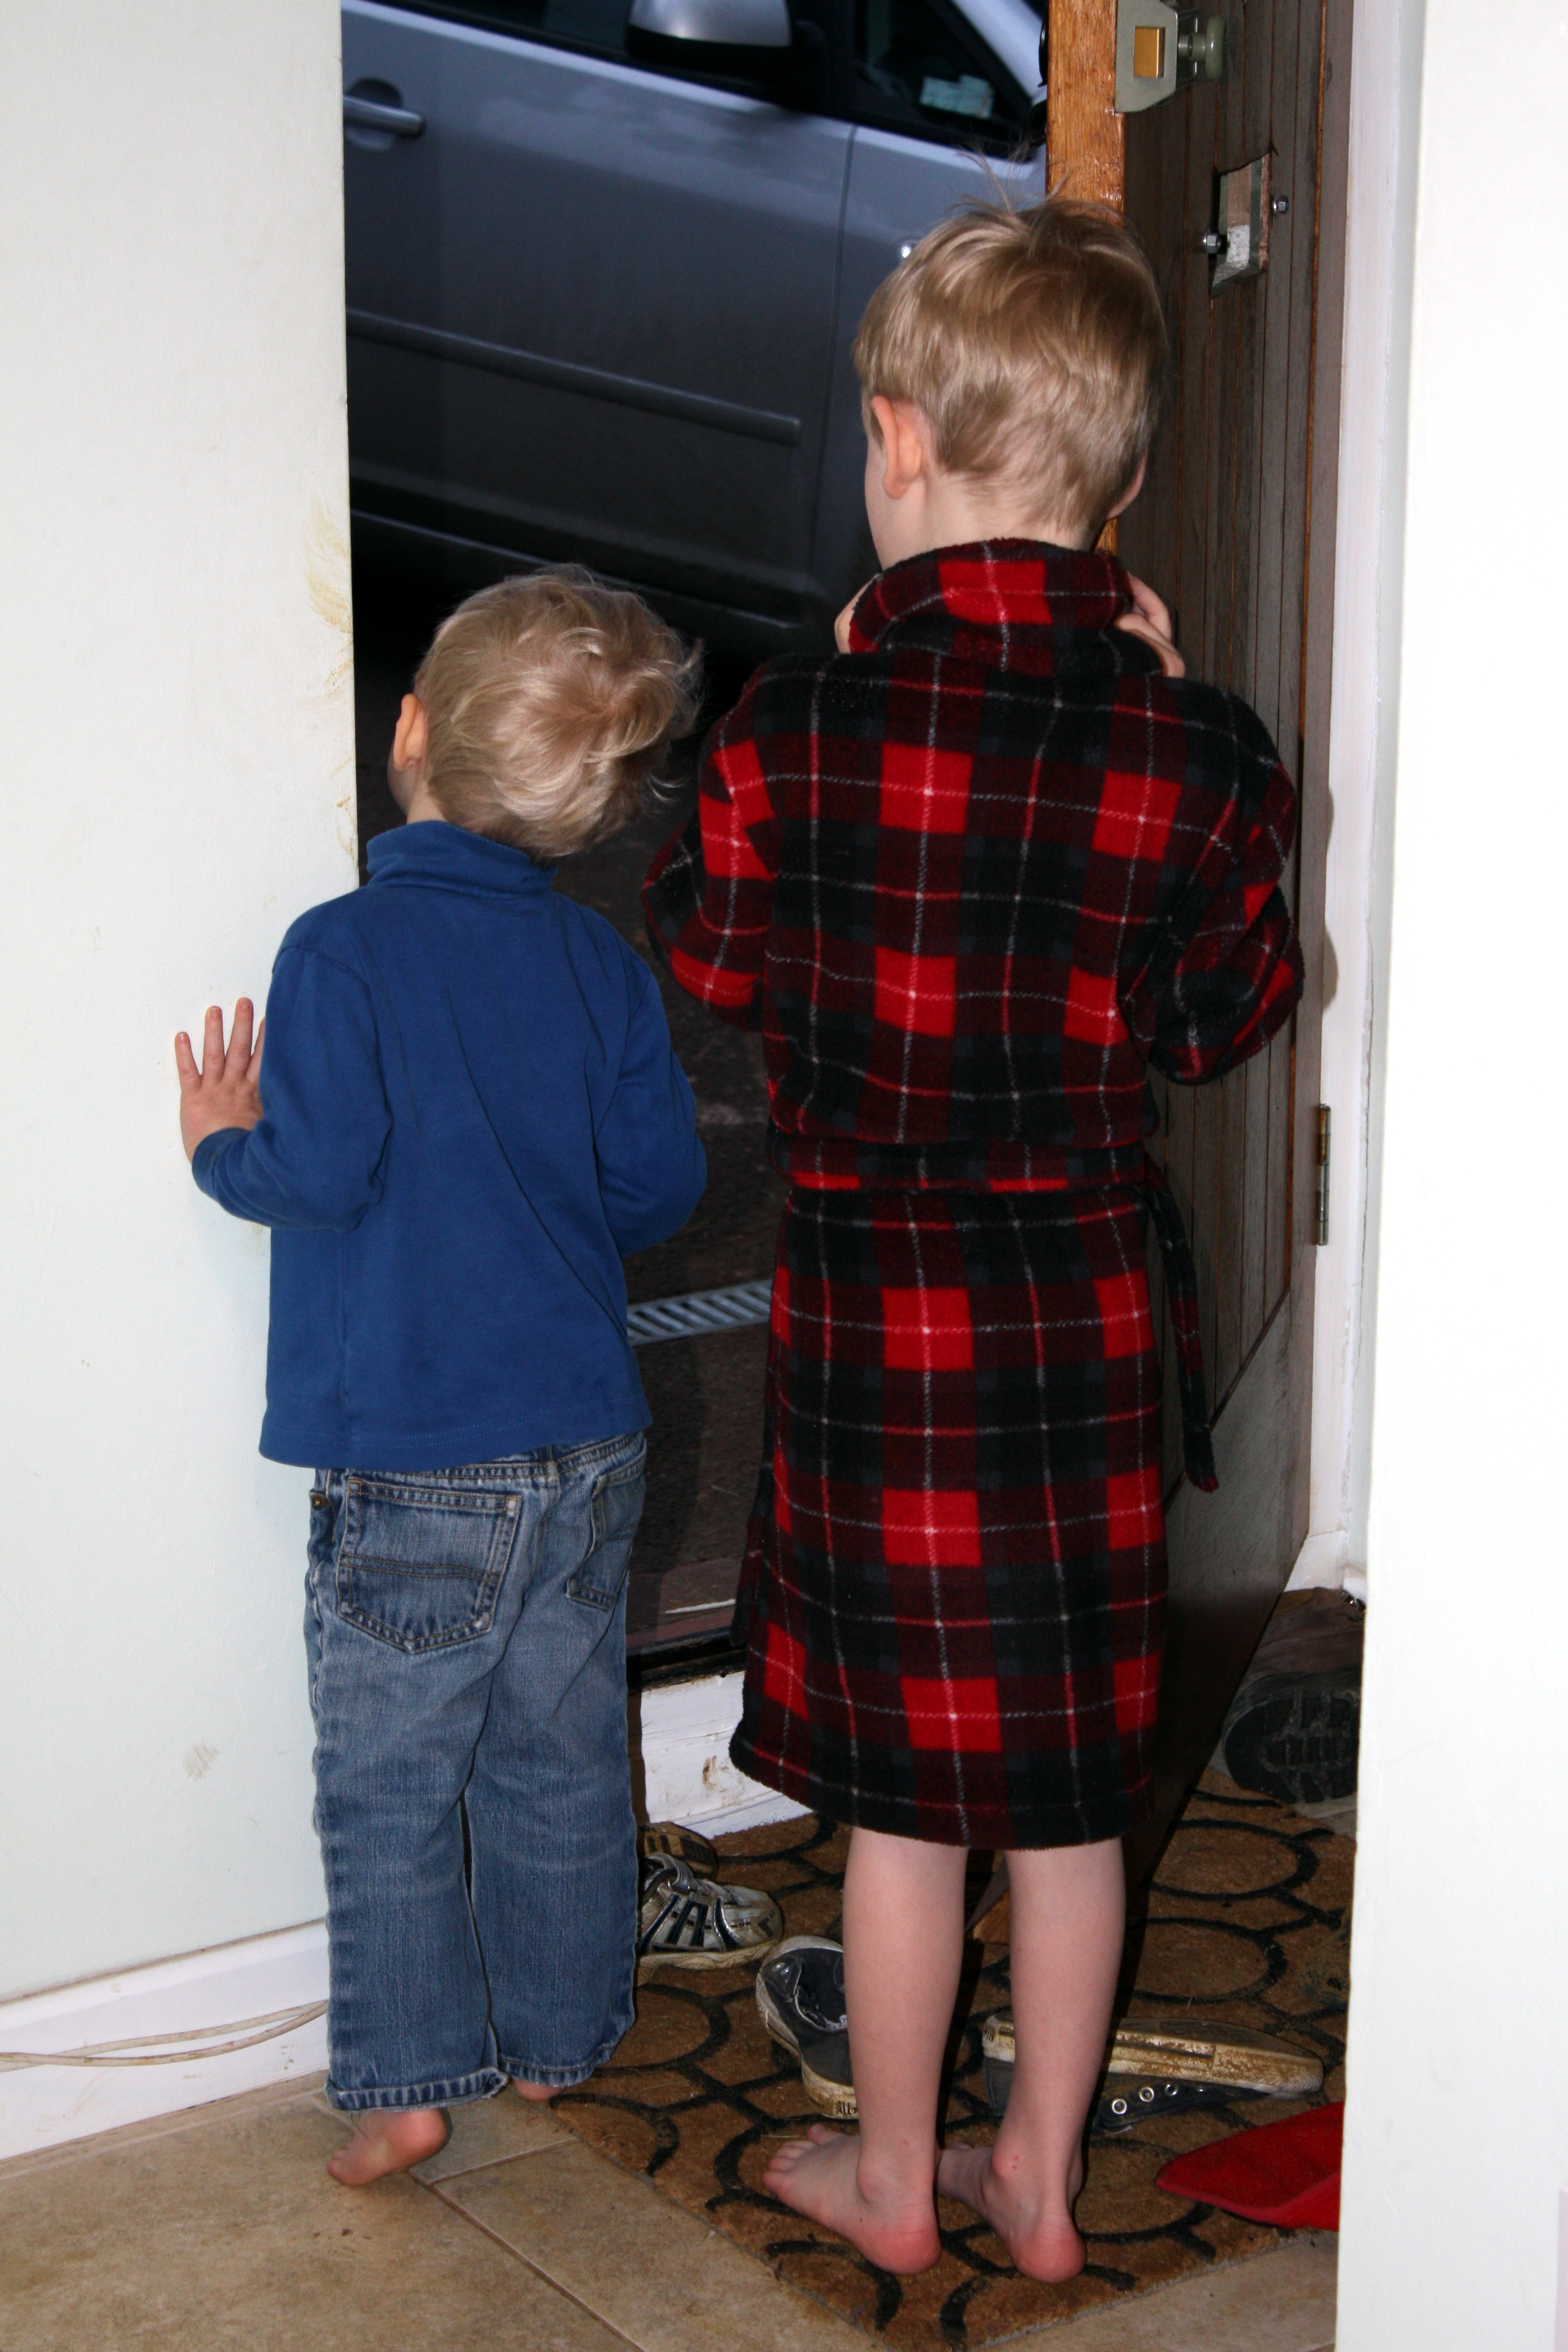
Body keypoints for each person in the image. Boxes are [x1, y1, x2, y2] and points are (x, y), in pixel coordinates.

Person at [642, 199, 1303, 2280]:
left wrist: (827, 713)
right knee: (1072, 1795)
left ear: (899, 438)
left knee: (908, 1806)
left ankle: (895, 2183)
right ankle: (1040, 2183)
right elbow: (1219, 1017)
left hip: (877, 1329)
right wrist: (1177, 712)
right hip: (1083, 1318)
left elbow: (711, 953)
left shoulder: (791, 728)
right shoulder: (1198, 749)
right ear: (1125, 481)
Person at [176, 571, 707, 2186]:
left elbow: (317, 1174)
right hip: (590, 1442)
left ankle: (406, 2085)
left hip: (418, 1457)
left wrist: (220, 1146)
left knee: (392, 1782)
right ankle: (557, 2043)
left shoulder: (340, 950)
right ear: (584, 805)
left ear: (408, 731)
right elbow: (658, 1188)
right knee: (560, 1755)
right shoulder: (600, 964)